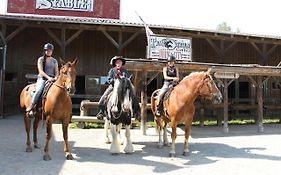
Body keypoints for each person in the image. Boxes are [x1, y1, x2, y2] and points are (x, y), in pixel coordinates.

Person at [96, 56, 141, 120]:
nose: (118, 63)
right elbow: (109, 79)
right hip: (113, 86)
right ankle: (101, 112)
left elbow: (128, 79)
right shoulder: (112, 70)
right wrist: (113, 81)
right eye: (117, 62)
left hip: (124, 88)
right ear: (115, 63)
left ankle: (137, 113)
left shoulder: (125, 71)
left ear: (122, 63)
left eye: (120, 62)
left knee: (134, 96)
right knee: (104, 96)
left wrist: (127, 80)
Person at [25, 43, 59, 112]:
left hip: (52, 79)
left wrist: (56, 77)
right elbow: (41, 71)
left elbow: (57, 71)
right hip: (42, 79)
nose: (49, 51)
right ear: (45, 51)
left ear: (52, 51)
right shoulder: (41, 59)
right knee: (39, 90)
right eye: (47, 50)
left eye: (50, 50)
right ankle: (32, 105)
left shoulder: (54, 61)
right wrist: (48, 77)